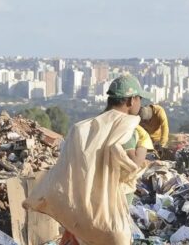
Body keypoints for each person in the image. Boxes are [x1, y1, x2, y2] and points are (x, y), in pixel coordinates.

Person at [23, 74, 152, 245]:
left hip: (83, 208)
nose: (140, 104)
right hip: (109, 209)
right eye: (139, 99)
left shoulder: (87, 127)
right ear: (130, 101)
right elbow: (133, 165)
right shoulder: (125, 128)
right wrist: (144, 143)